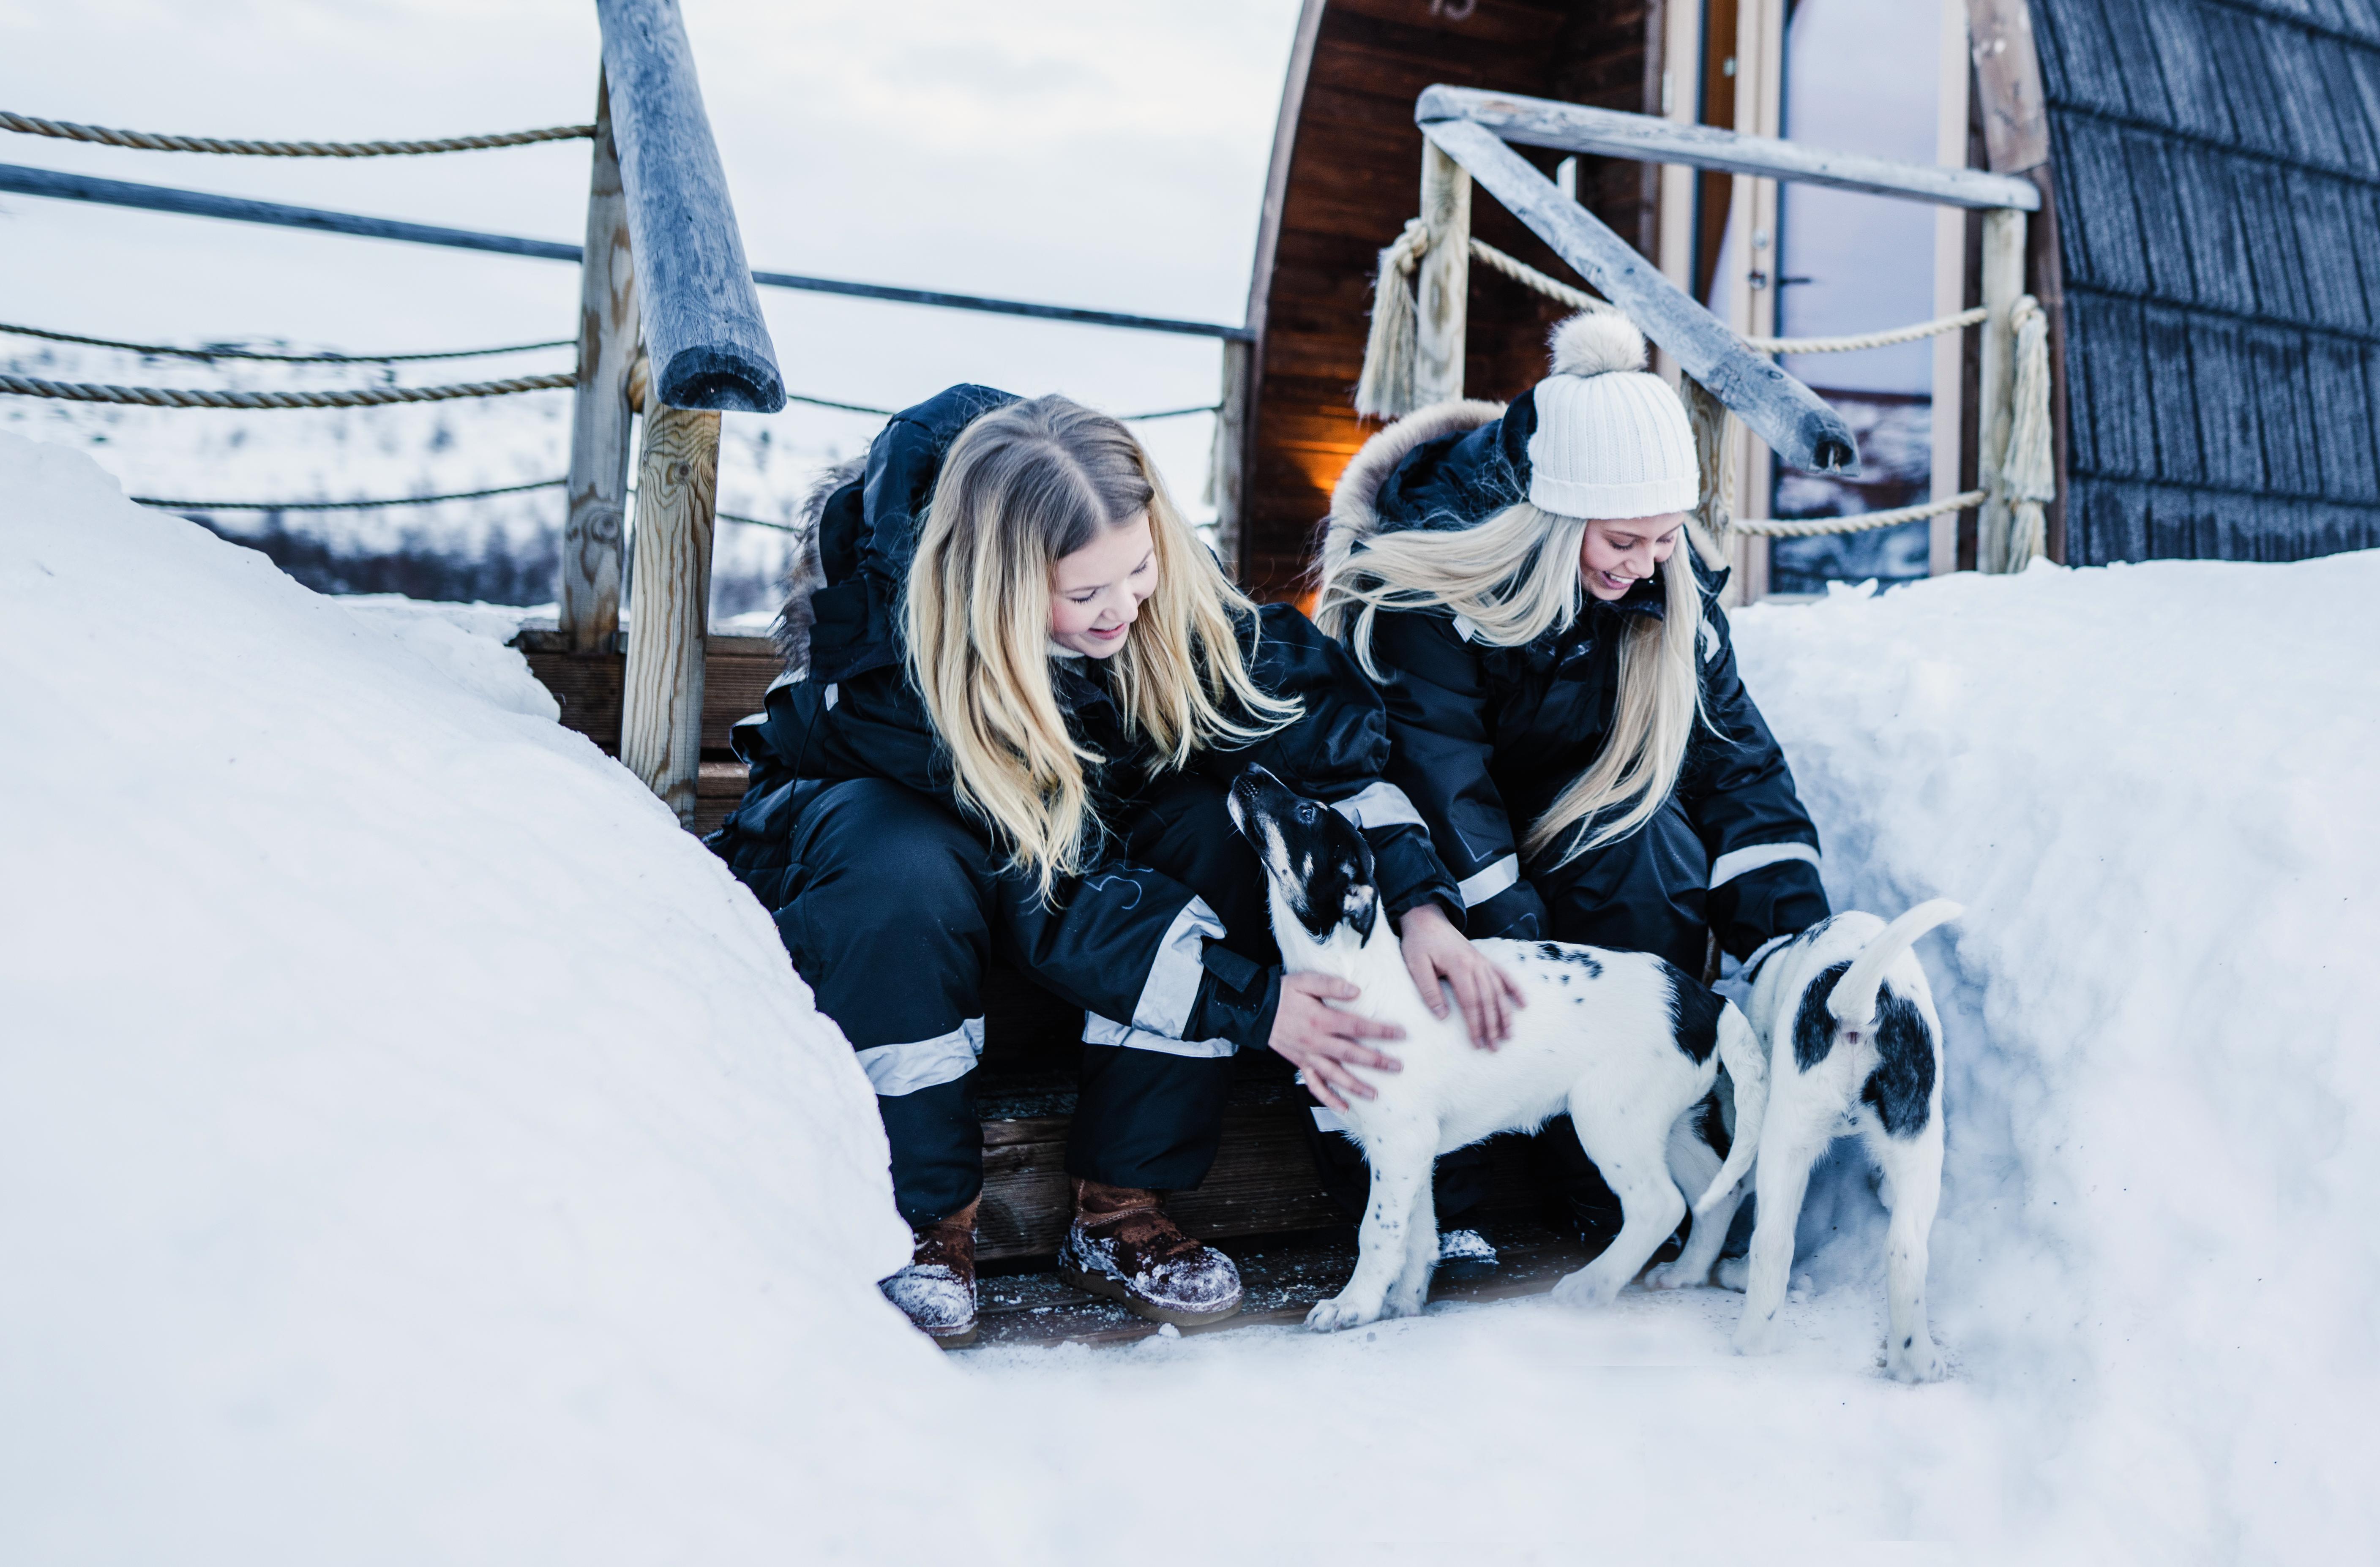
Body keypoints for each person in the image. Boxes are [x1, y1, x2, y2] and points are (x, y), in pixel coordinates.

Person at [709, 388, 1509, 1345]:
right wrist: (1255, 1003)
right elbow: (1055, 892)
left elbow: (1323, 747)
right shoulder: (903, 667)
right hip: (913, 867)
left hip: (1072, 861)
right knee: (901, 870)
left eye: (1138, 570)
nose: (1124, 605)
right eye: (1085, 594)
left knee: (1219, 825)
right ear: (999, 587)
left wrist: (1419, 901)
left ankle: (1122, 1207)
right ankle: (922, 1217)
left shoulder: (1157, 598)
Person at [1312, 312, 1832, 1245]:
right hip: (1435, 846)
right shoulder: (1428, 590)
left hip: (1561, 825)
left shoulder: (1663, 587)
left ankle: (1618, 1167)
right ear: (1554, 518)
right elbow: (1436, 772)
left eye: (1668, 538)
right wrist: (1528, 947)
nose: (1647, 569)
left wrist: (1793, 932)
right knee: (1448, 924)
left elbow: (1736, 759)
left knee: (1647, 853)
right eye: (1624, 542)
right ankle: (1444, 1199)